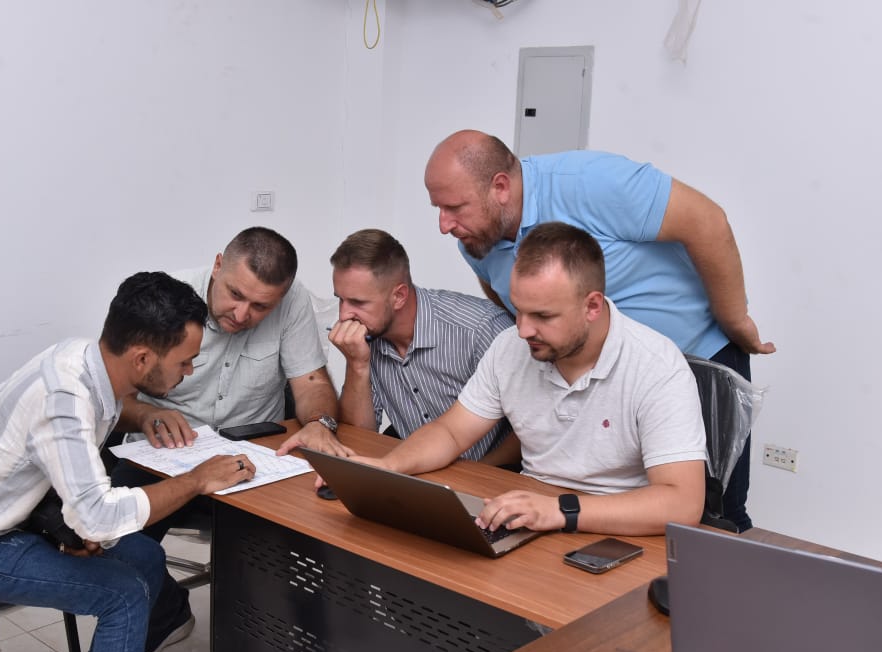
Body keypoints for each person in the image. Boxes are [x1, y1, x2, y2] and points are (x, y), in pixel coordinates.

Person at [0, 272, 256, 652]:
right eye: (184, 361)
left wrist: (66, 526)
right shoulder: (65, 400)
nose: (190, 371)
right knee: (123, 595)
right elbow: (98, 518)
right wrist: (196, 480)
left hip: (12, 521)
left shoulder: (84, 358)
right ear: (142, 359)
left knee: (144, 556)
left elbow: (80, 497)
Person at [423, 129, 773, 530]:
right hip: (590, 371)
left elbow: (707, 222)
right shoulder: (476, 238)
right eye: (438, 208)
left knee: (718, 517)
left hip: (692, 354)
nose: (444, 224)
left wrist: (735, 320)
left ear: (500, 187)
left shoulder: (589, 182)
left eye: (455, 207)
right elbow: (502, 289)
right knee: (588, 501)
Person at [350, 223, 706, 537]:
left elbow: (683, 503)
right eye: (519, 310)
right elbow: (451, 432)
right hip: (533, 516)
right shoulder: (511, 348)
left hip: (620, 532)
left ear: (592, 307)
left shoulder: (657, 366)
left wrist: (560, 511)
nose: (523, 330)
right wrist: (389, 467)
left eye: (542, 316)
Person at [109, 226, 349, 652]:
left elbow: (312, 382)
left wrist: (319, 423)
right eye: (235, 295)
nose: (241, 314)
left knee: (320, 521)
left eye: (260, 307)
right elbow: (114, 398)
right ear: (218, 265)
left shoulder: (293, 303)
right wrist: (145, 414)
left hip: (255, 459)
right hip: (161, 458)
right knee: (117, 535)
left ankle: (295, 650)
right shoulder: (166, 300)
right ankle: (167, 613)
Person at [328, 228, 519, 467]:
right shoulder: (366, 338)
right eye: (340, 299)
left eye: (358, 302)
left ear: (399, 296)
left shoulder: (480, 329)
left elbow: (531, 429)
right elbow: (359, 440)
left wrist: (477, 475)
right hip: (416, 470)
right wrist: (356, 365)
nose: (344, 315)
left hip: (493, 474)